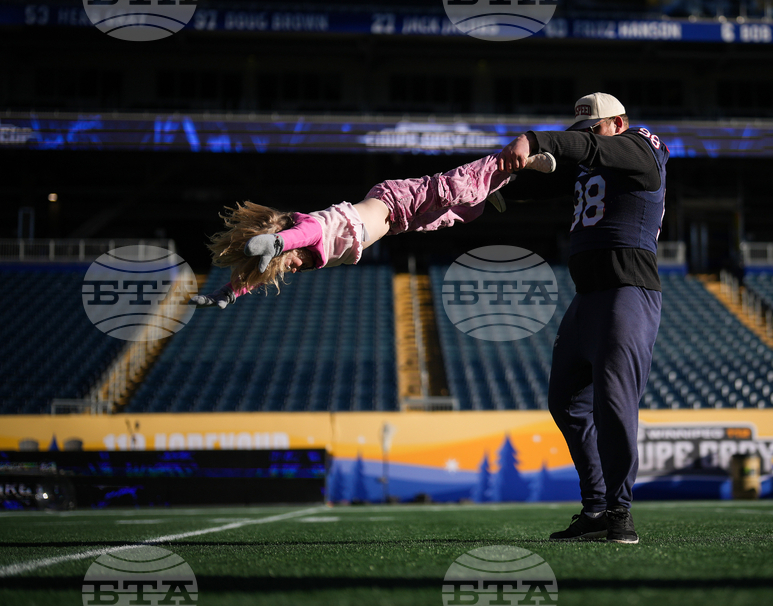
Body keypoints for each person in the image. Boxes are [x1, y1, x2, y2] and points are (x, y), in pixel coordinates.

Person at [498, 92, 669, 544]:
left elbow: (592, 149)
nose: (589, 138)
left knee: (612, 404)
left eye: (595, 128)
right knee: (568, 402)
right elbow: (570, 158)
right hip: (588, 297)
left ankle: (619, 512)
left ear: (619, 123)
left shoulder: (641, 146)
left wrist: (533, 138)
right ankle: (595, 509)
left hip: (625, 292)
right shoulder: (601, 153)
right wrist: (510, 168)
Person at [190, 152, 555, 307]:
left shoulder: (308, 229)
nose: (292, 267)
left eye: (287, 261)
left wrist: (277, 242)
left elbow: (296, 238)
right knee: (458, 215)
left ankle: (516, 160)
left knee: (454, 187)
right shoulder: (300, 251)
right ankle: (493, 190)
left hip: (395, 199)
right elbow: (261, 272)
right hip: (399, 222)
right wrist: (230, 291)